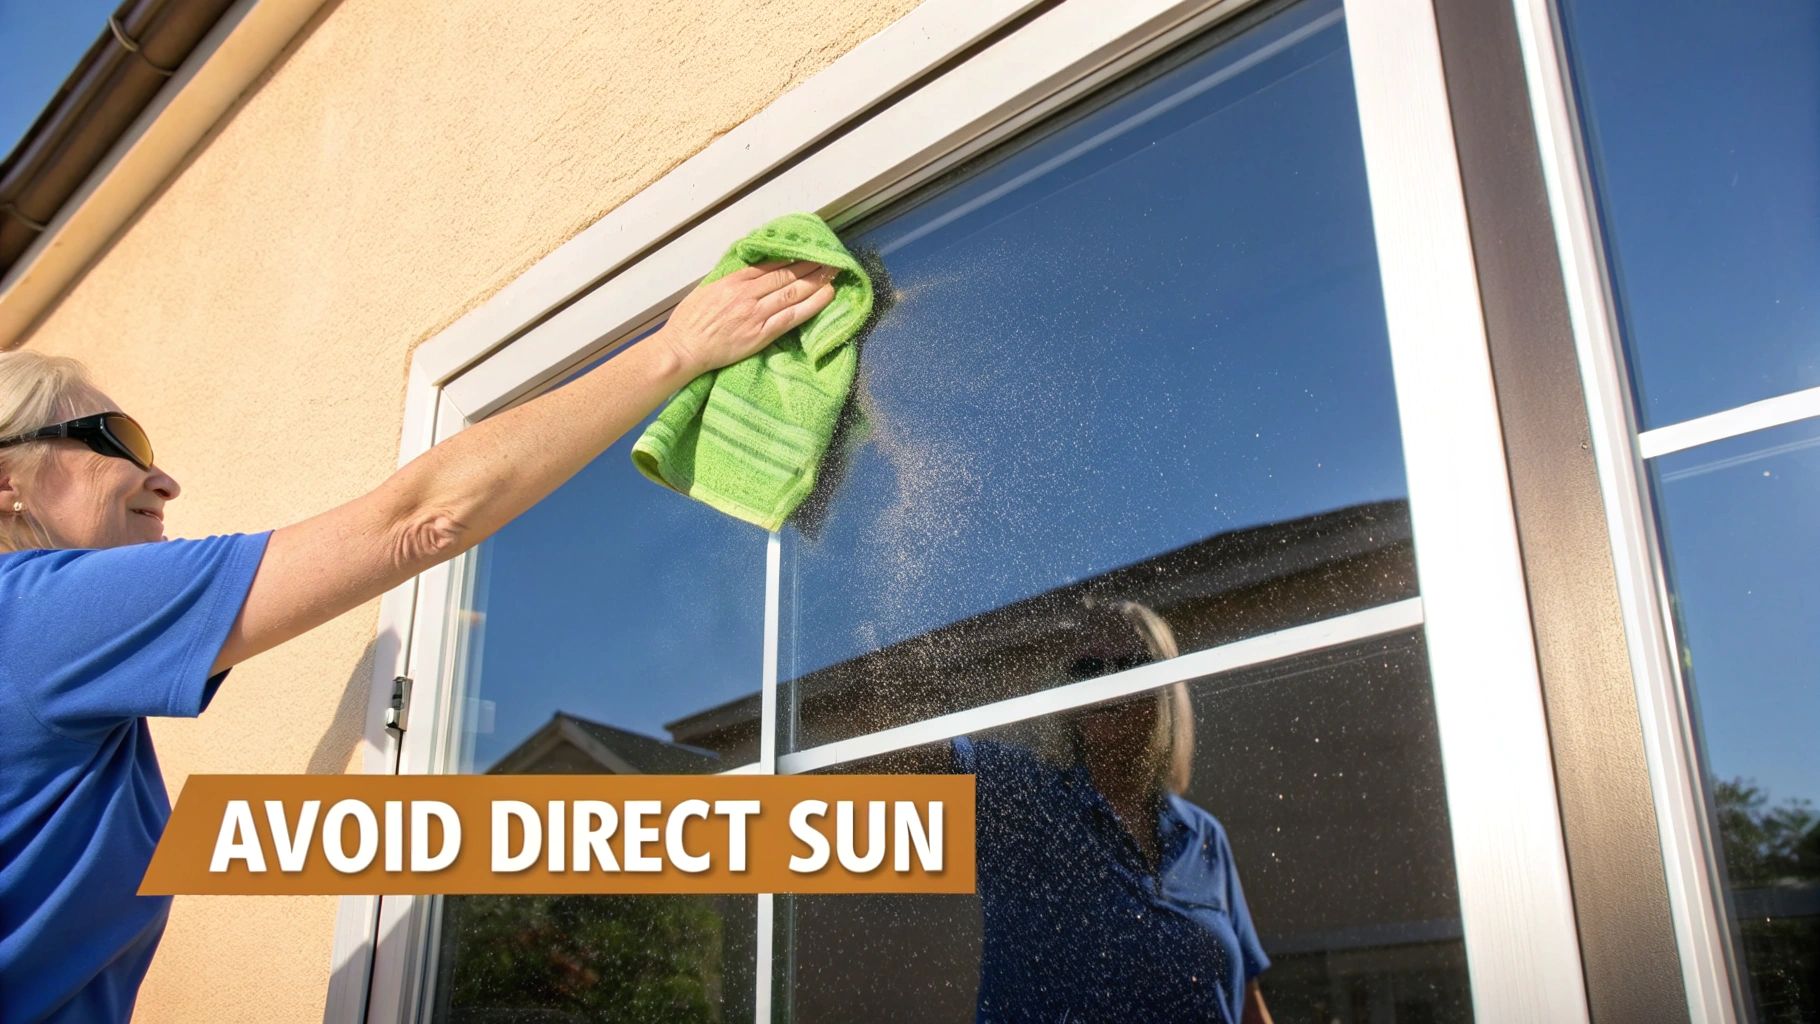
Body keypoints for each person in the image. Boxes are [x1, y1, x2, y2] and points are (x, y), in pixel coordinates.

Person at [0, 259, 838, 1023]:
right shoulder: (33, 616)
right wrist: (676, 351)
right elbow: (420, 521)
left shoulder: (53, 649)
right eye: (120, 441)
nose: (165, 479)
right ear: (9, 482)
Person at [955, 598, 1274, 1024]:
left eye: (1129, 667)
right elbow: (889, 797)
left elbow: (1249, 1005)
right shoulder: (1025, 801)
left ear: (1166, 690)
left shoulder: (1204, 836)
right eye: (1087, 669)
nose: (1106, 684)